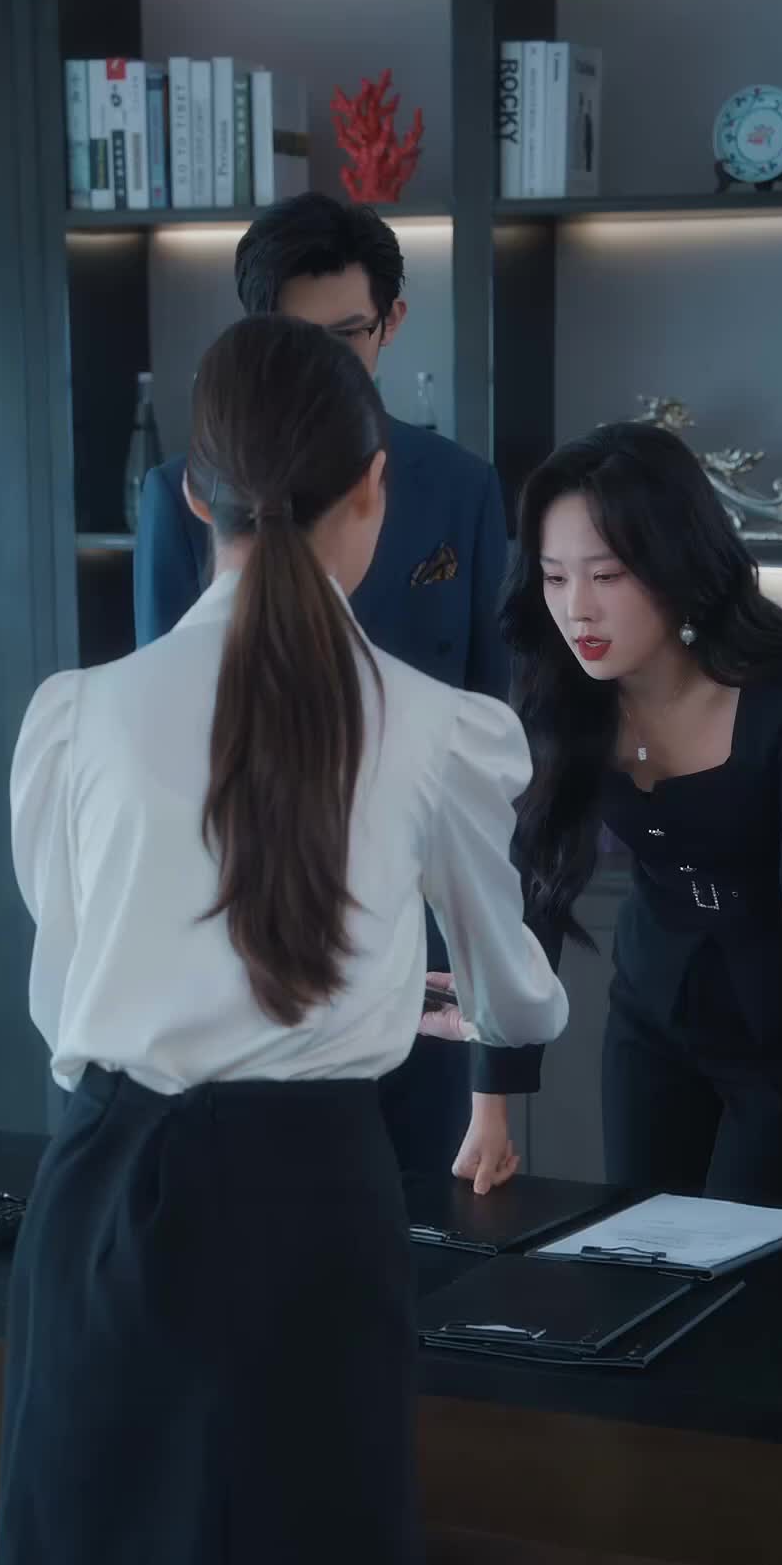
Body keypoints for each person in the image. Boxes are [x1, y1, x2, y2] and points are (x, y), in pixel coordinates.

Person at [0, 314, 566, 1565]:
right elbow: (517, 995)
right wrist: (411, 1001)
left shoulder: (74, 717)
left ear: (195, 494)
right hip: (309, 1222)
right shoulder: (437, 729)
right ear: (373, 491)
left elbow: (68, 998)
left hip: (105, 1210)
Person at [444, 422, 782, 1257]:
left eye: (606, 575)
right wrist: (490, 1103)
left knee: (754, 1277)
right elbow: (531, 887)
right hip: (651, 1011)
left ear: (674, 563)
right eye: (554, 576)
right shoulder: (562, 687)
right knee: (635, 1257)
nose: (577, 609)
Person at [133, 191, 510, 1179]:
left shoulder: (459, 486)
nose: (326, 367)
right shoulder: (182, 495)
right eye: (298, 339)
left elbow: (490, 719)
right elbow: (165, 735)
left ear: (392, 322)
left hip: (423, 932)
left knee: (429, 1216)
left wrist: (480, 963)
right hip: (244, 930)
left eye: (349, 336)